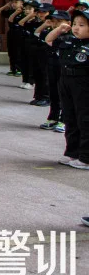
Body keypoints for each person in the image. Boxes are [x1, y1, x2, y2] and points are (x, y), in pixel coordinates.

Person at [45, 9, 89, 170]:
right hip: (65, 81)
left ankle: (86, 157)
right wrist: (59, 29)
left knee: (84, 119)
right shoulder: (69, 40)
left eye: (82, 25)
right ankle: (72, 152)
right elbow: (49, 40)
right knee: (70, 118)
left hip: (83, 83)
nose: (77, 28)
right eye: (75, 24)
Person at [37, 9, 66, 134]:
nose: (56, 24)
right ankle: (53, 117)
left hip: (66, 69)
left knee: (65, 95)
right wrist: (52, 26)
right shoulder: (51, 33)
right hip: (52, 66)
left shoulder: (71, 35)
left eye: (59, 21)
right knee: (53, 93)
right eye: (54, 21)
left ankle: (64, 119)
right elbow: (39, 35)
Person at [0, 0, 24, 77]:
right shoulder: (11, 11)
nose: (14, 4)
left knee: (18, 51)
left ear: (22, 3)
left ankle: (19, 69)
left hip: (20, 33)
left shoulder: (24, 12)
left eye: (16, 2)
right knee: (11, 51)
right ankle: (12, 69)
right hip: (11, 32)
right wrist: (7, 5)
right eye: (12, 2)